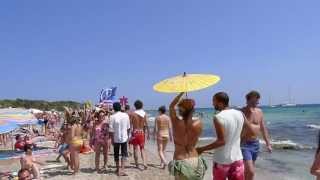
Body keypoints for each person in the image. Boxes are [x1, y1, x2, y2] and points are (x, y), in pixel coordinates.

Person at [197, 92, 254, 180]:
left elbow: (221, 141)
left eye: (214, 101)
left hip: (222, 160)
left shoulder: (218, 117)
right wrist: (238, 139)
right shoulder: (240, 113)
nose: (212, 104)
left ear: (220, 102)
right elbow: (250, 129)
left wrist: (201, 149)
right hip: (237, 158)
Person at [168, 92, 207, 180]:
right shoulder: (199, 124)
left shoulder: (176, 123)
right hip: (195, 160)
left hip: (181, 161)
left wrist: (180, 93)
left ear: (180, 111)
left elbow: (171, 106)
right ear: (193, 110)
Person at [241, 91, 272, 180]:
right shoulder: (242, 112)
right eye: (253, 102)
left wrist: (268, 144)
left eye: (257, 102)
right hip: (244, 144)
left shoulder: (259, 111)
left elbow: (263, 128)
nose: (255, 104)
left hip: (255, 144)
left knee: (249, 171)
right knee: (250, 171)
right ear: (247, 101)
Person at [109, 102, 131, 176]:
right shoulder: (126, 115)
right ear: (120, 107)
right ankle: (123, 169)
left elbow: (111, 130)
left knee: (116, 154)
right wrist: (128, 136)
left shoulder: (112, 117)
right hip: (124, 137)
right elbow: (128, 128)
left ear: (114, 108)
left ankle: (118, 169)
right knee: (124, 153)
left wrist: (111, 139)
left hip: (116, 138)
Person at [130, 100, 150, 170]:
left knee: (135, 149)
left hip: (135, 132)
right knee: (142, 149)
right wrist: (148, 133)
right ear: (142, 105)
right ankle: (144, 163)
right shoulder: (144, 114)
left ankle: (137, 164)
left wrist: (129, 133)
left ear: (135, 106)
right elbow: (147, 124)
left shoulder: (133, 114)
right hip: (141, 133)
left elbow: (130, 124)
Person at [66, 109, 83, 174]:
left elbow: (72, 136)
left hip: (74, 142)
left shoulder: (73, 126)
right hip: (80, 141)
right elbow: (82, 134)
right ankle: (77, 170)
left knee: (74, 157)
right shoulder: (80, 125)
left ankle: (75, 171)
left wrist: (68, 141)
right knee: (77, 157)